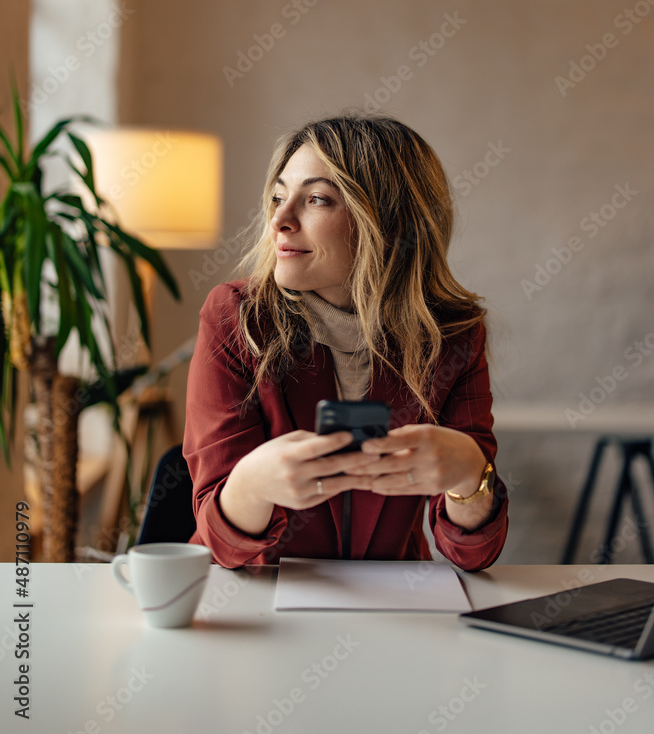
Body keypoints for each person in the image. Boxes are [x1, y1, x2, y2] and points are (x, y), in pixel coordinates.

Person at [183, 113, 508, 570]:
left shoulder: (452, 333)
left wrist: (469, 474)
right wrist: (252, 485)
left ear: (391, 222)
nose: (279, 219)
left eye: (316, 199)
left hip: (392, 607)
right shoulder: (236, 317)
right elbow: (221, 547)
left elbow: (472, 553)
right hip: (251, 606)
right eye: (278, 196)